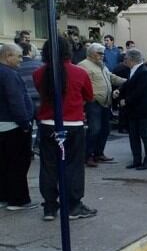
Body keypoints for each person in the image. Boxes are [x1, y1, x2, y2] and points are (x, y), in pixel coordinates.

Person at [33, 37, 96, 221]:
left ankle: (50, 207)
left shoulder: (39, 73)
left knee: (48, 166)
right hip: (73, 124)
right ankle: (73, 205)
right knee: (73, 166)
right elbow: (89, 96)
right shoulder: (79, 72)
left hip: (47, 124)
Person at [0, 43, 37, 211]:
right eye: (18, 56)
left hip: (3, 124)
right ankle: (18, 200)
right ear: (8, 56)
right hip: (13, 125)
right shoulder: (9, 75)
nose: (21, 60)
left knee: (4, 163)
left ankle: (4, 197)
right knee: (18, 163)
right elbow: (16, 101)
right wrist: (25, 123)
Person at [78, 43, 126, 167]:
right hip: (94, 102)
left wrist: (128, 81)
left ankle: (98, 153)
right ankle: (87, 156)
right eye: (100, 53)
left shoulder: (102, 65)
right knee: (94, 129)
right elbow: (81, 85)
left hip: (105, 102)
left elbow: (111, 77)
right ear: (92, 53)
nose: (102, 55)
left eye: (103, 53)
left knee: (105, 129)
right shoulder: (83, 66)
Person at [116, 49, 147, 170]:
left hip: (143, 111)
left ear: (132, 59)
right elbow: (129, 83)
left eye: (126, 59)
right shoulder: (134, 70)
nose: (124, 61)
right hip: (133, 111)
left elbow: (140, 91)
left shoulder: (144, 71)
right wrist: (120, 90)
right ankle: (136, 160)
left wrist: (126, 101)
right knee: (133, 136)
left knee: (146, 136)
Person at [18, 42, 43, 152]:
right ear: (29, 51)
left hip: (22, 99)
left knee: (26, 126)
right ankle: (38, 145)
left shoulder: (16, 66)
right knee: (41, 123)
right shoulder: (39, 64)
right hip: (39, 98)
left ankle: (27, 149)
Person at [112, 58, 131, 133]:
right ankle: (123, 127)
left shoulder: (118, 67)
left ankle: (122, 127)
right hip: (122, 91)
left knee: (122, 110)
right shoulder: (124, 69)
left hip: (118, 90)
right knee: (123, 111)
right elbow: (125, 81)